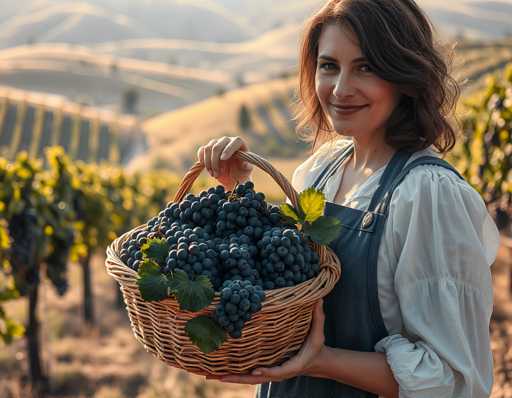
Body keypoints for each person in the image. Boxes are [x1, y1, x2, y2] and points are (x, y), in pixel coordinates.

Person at [196, 0, 500, 396]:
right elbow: (284, 283)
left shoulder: (427, 197)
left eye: (366, 67)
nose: (340, 89)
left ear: (403, 74)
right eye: (329, 66)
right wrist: (238, 192)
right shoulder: (322, 171)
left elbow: (453, 381)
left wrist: (321, 362)